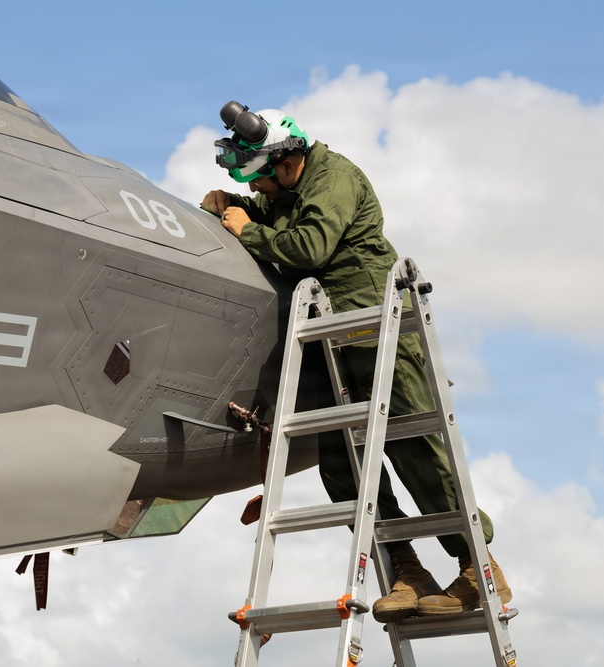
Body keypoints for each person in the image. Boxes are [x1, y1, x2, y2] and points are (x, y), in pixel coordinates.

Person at [201, 101, 511, 620]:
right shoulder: (291, 185)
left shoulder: (335, 176)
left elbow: (311, 244)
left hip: (374, 328)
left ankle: (478, 568)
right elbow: (280, 213)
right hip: (332, 335)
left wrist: (245, 229)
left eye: (258, 181)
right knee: (344, 465)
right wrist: (233, 203)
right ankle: (407, 570)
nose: (256, 189)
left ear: (285, 163)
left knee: (414, 451)